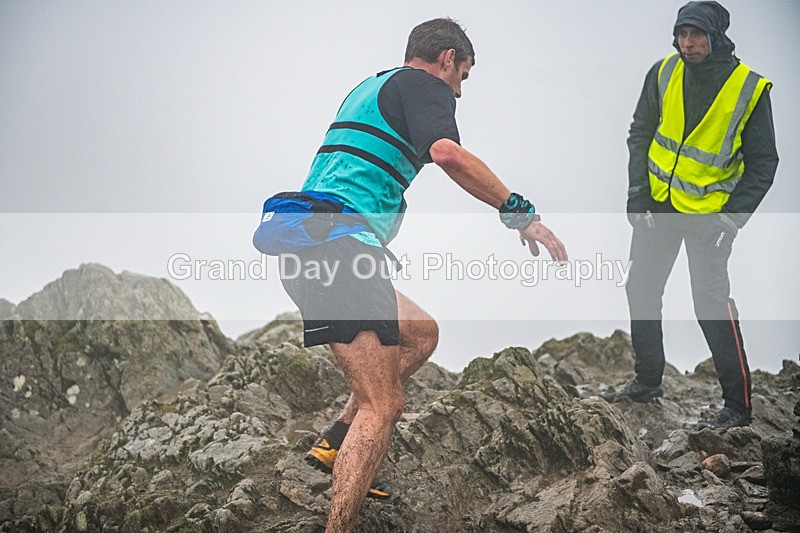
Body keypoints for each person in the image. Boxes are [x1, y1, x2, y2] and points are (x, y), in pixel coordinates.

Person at [253, 18, 568, 532]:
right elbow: (447, 153)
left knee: (420, 333)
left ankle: (337, 441)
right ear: (447, 59)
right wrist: (519, 212)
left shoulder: (371, 85)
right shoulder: (424, 85)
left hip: (313, 244)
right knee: (386, 405)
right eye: (462, 76)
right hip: (340, 249)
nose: (460, 92)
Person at [601, 1, 778, 430]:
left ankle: (737, 407)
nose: (687, 43)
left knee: (710, 305)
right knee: (640, 288)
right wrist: (636, 195)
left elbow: (764, 164)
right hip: (658, 205)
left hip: (710, 218)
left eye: (697, 35)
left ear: (716, 36)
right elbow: (640, 133)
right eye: (682, 34)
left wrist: (730, 222)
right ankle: (647, 382)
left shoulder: (749, 89)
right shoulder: (663, 72)